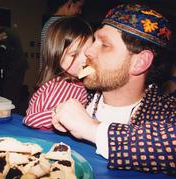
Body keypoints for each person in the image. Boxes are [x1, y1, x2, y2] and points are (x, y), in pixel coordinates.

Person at [52, 4, 176, 175]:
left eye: (105, 45)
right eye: (95, 40)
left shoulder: (167, 113)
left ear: (139, 62)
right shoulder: (76, 95)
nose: (88, 51)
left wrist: (90, 128)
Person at [23, 16, 93, 130]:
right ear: (56, 55)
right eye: (74, 55)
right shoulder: (57, 87)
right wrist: (59, 114)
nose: (84, 61)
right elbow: (30, 118)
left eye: (88, 53)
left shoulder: (83, 81)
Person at [39, 0, 85, 73]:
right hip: (57, 78)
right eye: (79, 7)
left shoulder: (50, 22)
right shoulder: (63, 25)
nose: (80, 12)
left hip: (49, 76)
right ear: (69, 3)